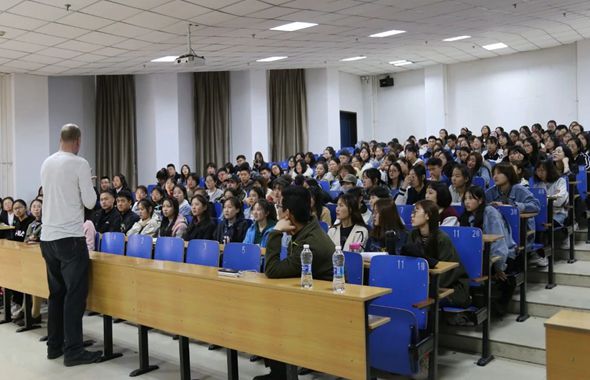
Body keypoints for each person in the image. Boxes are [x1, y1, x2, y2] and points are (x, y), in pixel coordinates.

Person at [256, 186, 335, 380]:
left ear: (288, 214)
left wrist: (274, 232)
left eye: (280, 207)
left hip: (327, 307)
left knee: (274, 316)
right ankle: (279, 372)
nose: (277, 210)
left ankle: (282, 374)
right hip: (308, 295)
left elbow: (273, 270)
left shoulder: (311, 244)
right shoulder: (304, 232)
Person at [39, 124, 102, 365]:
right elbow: (90, 201)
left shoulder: (47, 162)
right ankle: (74, 350)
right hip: (70, 238)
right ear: (77, 141)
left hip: (48, 237)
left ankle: (54, 346)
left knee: (56, 294)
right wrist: (89, 182)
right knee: (75, 296)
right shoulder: (79, 163)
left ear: (60, 138)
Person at [406, 200, 471, 308]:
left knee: (418, 300)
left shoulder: (442, 238)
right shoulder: (412, 234)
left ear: (427, 216)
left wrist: (423, 286)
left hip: (451, 286)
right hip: (424, 284)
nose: (412, 215)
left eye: (416, 211)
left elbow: (447, 272)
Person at [486, 162, 540, 247]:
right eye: (493, 174)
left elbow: (536, 205)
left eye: (499, 173)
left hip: (521, 230)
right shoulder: (491, 192)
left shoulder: (519, 189)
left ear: (509, 175)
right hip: (500, 229)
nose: (495, 176)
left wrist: (513, 206)